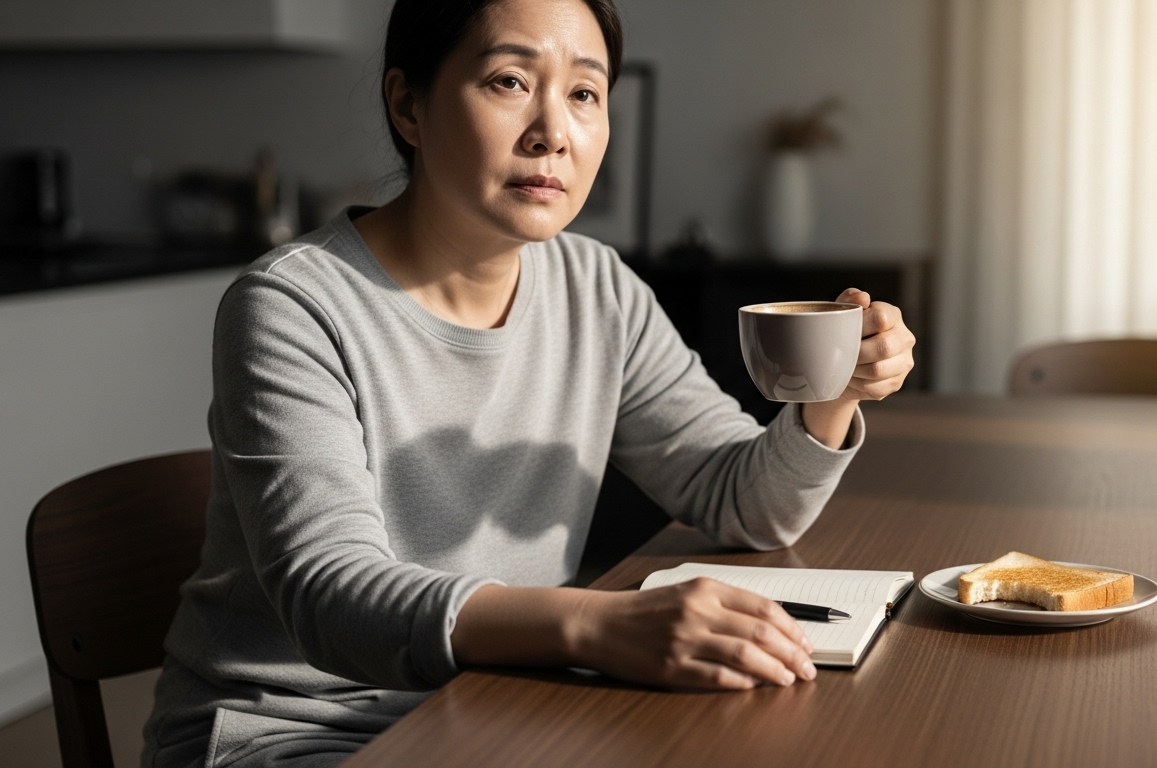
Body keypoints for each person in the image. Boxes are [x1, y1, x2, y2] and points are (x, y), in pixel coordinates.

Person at [141, 0, 916, 765]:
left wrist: (833, 393)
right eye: (509, 81)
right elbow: (330, 596)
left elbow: (742, 501)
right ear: (408, 105)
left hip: (496, 706)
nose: (553, 132)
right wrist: (597, 625)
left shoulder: (597, 289)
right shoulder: (293, 305)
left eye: (584, 93)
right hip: (294, 731)